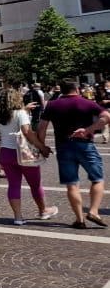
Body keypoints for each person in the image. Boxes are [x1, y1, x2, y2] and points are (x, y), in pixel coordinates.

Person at [38, 80, 110, 229]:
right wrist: (89, 129)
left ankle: (79, 219)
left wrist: (42, 146)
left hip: (63, 146)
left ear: (61, 91)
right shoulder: (87, 103)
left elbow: (42, 128)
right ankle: (94, 211)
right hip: (85, 145)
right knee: (97, 179)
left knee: (72, 184)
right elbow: (106, 117)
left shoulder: (52, 105)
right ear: (77, 89)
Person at [0, 88, 59, 225]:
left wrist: (25, 110)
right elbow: (27, 132)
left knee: (13, 185)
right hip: (23, 153)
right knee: (35, 184)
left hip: (6, 152)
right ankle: (43, 210)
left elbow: (11, 122)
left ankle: (18, 217)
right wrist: (43, 147)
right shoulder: (20, 113)